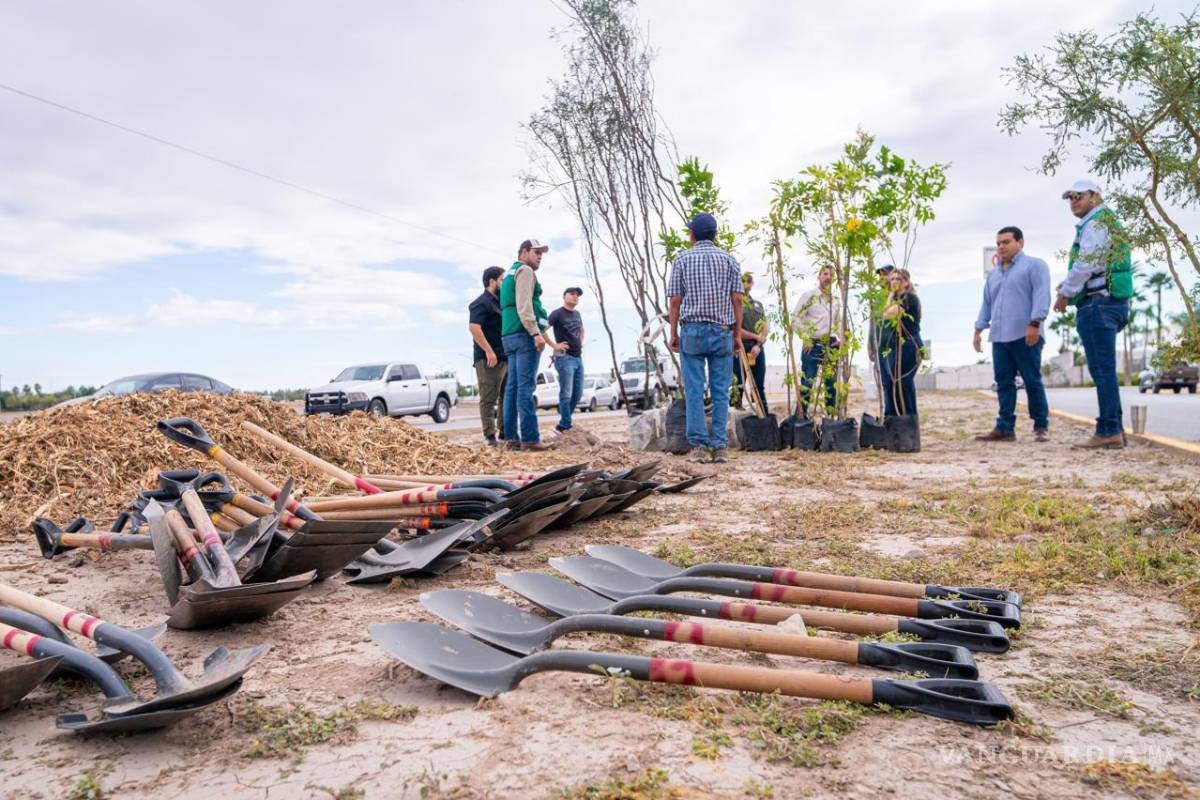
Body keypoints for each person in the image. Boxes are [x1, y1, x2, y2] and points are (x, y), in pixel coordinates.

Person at [1054, 179, 1134, 450]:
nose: (1073, 201)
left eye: (1079, 196)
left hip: (1099, 304)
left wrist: (1066, 291)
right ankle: (1114, 430)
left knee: (1102, 371)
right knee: (1106, 371)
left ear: (1095, 196)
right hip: (1112, 302)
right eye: (1070, 197)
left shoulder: (1096, 222)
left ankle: (1109, 430)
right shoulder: (1105, 221)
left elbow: (1088, 261)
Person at [667, 212, 743, 463]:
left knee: (694, 390)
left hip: (692, 331)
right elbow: (737, 300)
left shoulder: (682, 260)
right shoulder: (730, 260)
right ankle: (719, 446)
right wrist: (737, 334)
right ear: (715, 234)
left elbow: (675, 301)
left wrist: (673, 332)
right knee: (721, 391)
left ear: (692, 235)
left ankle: (698, 447)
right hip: (722, 330)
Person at [974, 227, 1052, 443]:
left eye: (1006, 242)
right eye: (999, 243)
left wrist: (1035, 323)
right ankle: (1005, 427)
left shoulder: (1035, 266)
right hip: (999, 337)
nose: (1001, 246)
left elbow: (1041, 295)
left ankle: (1041, 426)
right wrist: (978, 330)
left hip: (1026, 333)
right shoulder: (994, 275)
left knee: (1031, 380)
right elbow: (987, 304)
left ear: (1021, 242)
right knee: (1003, 382)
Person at [499, 239, 554, 451]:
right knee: (525, 388)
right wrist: (535, 332)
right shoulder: (526, 271)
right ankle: (530, 439)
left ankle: (511, 438)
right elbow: (524, 305)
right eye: (536, 252)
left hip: (509, 334)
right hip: (524, 334)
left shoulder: (509, 274)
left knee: (512, 389)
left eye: (542, 253)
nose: (540, 256)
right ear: (523, 252)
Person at [792, 265, 842, 415]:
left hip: (831, 345)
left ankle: (831, 418)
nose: (828, 277)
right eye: (825, 274)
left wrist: (842, 340)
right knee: (808, 382)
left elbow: (839, 323)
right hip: (812, 344)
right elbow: (795, 318)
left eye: (831, 275)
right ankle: (801, 417)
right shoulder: (810, 296)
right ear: (819, 277)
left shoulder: (836, 301)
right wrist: (805, 338)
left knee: (831, 385)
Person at [468, 266, 508, 446]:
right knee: (489, 398)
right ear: (492, 281)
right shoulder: (480, 303)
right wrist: (489, 351)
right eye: (501, 279)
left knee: (505, 396)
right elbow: (474, 328)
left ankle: (505, 432)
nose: (504, 282)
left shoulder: (500, 302)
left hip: (504, 357)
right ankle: (490, 436)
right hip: (488, 359)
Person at [879, 268, 922, 417]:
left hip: (910, 345)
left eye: (899, 279)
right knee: (894, 384)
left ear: (906, 282)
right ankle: (901, 421)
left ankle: (909, 421)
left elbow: (889, 314)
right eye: (892, 279)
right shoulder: (894, 300)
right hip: (898, 346)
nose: (895, 282)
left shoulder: (909, 298)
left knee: (903, 384)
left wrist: (888, 302)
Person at [548, 287, 586, 432]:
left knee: (578, 393)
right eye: (572, 294)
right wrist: (554, 345)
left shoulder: (577, 314)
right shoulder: (557, 314)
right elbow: (542, 329)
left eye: (577, 295)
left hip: (578, 358)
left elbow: (582, 330)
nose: (575, 297)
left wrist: (579, 342)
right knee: (566, 394)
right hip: (564, 359)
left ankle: (563, 423)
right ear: (564, 296)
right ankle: (565, 426)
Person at [732, 273, 768, 410]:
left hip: (757, 349)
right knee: (738, 385)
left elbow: (765, 326)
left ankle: (763, 414)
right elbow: (735, 329)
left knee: (759, 384)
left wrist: (759, 344)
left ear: (752, 284)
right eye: (743, 281)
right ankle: (736, 411)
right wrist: (756, 337)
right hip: (740, 347)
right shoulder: (735, 304)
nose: (746, 284)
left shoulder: (758, 305)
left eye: (749, 281)